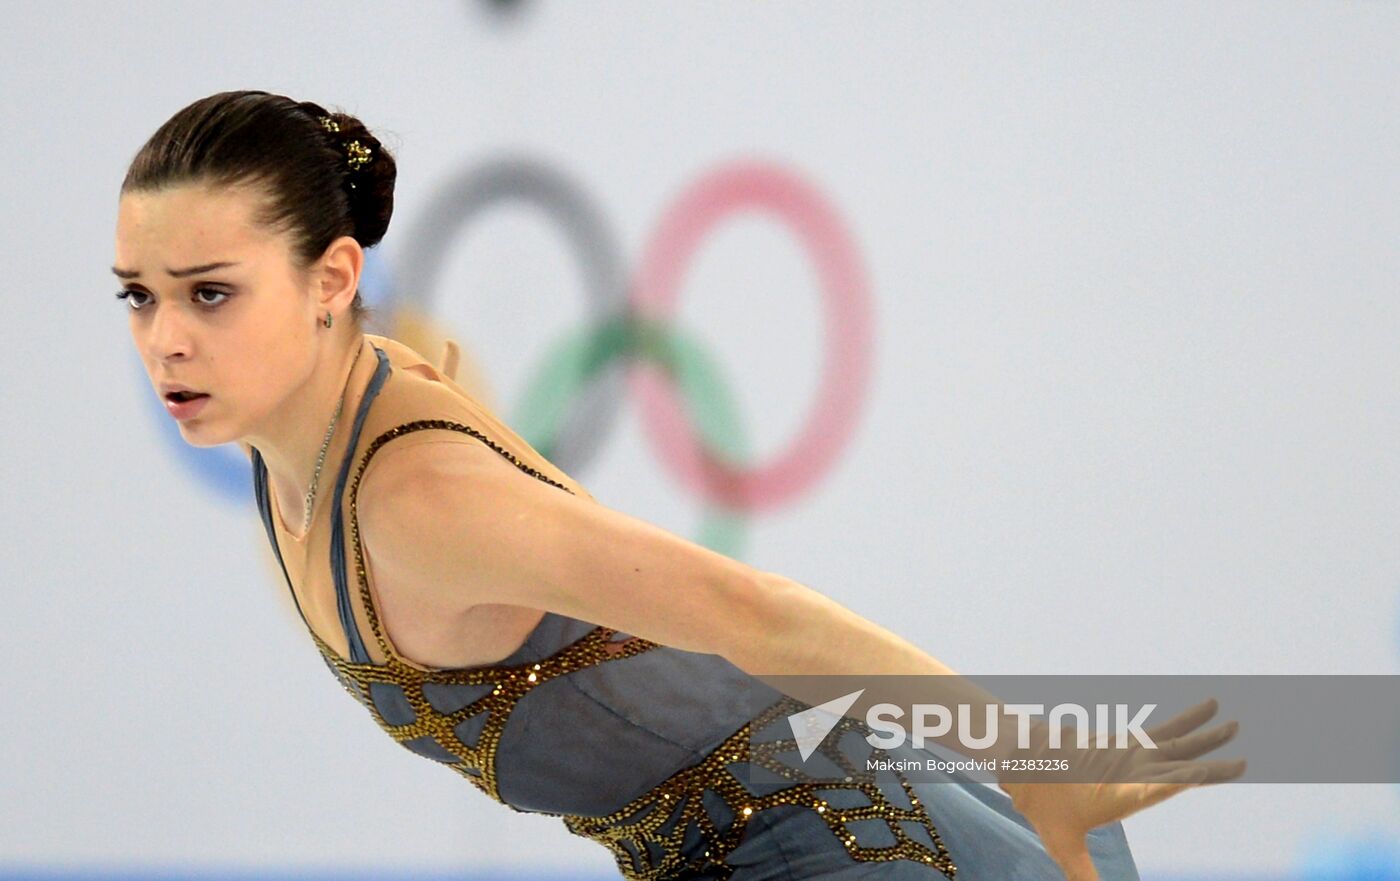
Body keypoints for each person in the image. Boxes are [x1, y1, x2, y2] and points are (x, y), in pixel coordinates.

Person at [112, 90, 1243, 881]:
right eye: (138, 296)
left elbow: (752, 612)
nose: (164, 338)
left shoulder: (415, 503)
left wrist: (1029, 762)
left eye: (210, 293)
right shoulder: (310, 435)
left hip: (860, 843)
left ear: (331, 278)